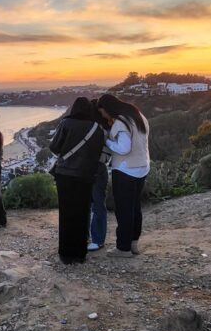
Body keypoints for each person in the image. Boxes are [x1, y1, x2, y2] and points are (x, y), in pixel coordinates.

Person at [49, 97, 106, 264]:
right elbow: (97, 152)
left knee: (66, 214)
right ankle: (80, 253)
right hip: (86, 175)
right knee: (83, 212)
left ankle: (66, 254)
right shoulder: (96, 127)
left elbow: (54, 147)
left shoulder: (66, 124)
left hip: (65, 174)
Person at [96, 94, 150, 258]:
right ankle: (133, 243)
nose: (103, 116)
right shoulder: (139, 116)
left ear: (108, 108)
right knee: (135, 207)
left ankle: (123, 248)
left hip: (126, 169)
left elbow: (123, 148)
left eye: (102, 112)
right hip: (142, 166)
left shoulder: (121, 122)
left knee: (124, 210)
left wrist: (106, 141)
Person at [88, 103, 111, 251]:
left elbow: (105, 153)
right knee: (95, 204)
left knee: (96, 205)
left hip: (94, 169)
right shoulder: (104, 128)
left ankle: (98, 239)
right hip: (97, 168)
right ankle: (96, 238)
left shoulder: (101, 130)